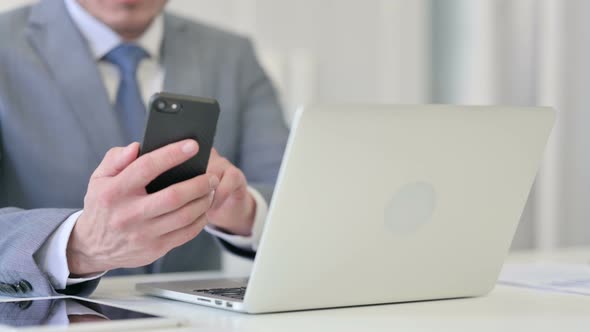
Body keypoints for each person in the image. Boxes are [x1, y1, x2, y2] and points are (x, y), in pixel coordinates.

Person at [0, 0, 288, 297]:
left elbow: (290, 194)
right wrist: (80, 245)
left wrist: (246, 211)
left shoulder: (232, 54)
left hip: (194, 320)